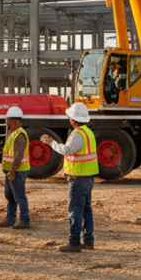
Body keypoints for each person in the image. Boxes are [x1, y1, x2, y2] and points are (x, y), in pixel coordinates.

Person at [42, 101, 98, 253]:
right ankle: (88, 240)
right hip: (87, 177)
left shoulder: (78, 135)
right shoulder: (88, 133)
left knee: (75, 210)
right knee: (86, 210)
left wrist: (52, 143)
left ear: (74, 120)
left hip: (78, 178)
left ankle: (74, 243)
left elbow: (67, 150)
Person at [0, 105, 30, 229]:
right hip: (10, 170)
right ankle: (10, 219)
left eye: (8, 120)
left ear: (15, 121)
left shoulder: (20, 134)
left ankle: (24, 220)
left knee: (19, 195)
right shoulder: (12, 132)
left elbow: (19, 154)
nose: (6, 122)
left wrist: (13, 170)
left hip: (17, 171)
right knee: (10, 195)